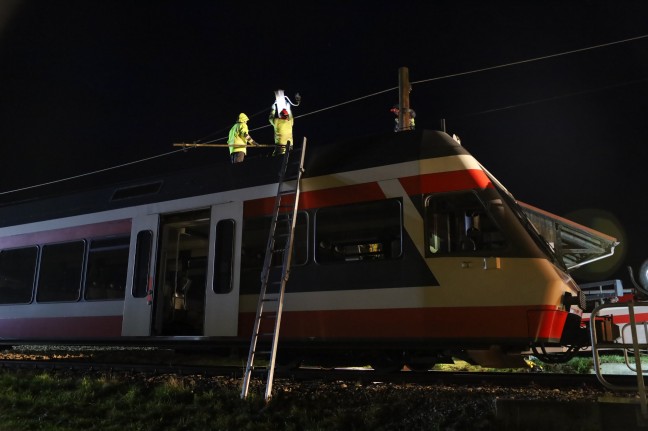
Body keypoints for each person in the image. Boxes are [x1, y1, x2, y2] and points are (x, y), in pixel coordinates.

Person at [269, 89, 300, 156]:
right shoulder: (290, 122)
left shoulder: (277, 121)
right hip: (290, 146)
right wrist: (289, 108)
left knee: (276, 157)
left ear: (280, 115)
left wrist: (273, 109)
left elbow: (270, 118)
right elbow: (291, 116)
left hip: (280, 145)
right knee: (288, 159)